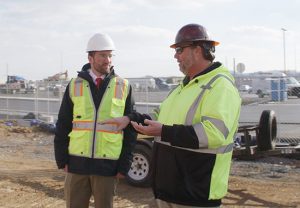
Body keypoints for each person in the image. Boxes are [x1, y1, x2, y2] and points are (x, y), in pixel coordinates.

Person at [103, 23, 241, 208]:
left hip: (195, 196)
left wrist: (164, 131)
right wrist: (129, 120)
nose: (175, 56)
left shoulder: (220, 87)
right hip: (167, 193)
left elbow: (213, 135)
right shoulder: (182, 88)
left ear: (198, 50)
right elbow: (156, 118)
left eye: (180, 50)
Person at [54, 33, 137, 208]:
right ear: (90, 57)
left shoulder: (123, 86)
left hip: (107, 167)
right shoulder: (74, 85)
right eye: (102, 55)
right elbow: (63, 124)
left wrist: (125, 165)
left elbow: (130, 130)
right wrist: (62, 159)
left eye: (110, 55)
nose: (107, 60)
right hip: (77, 165)